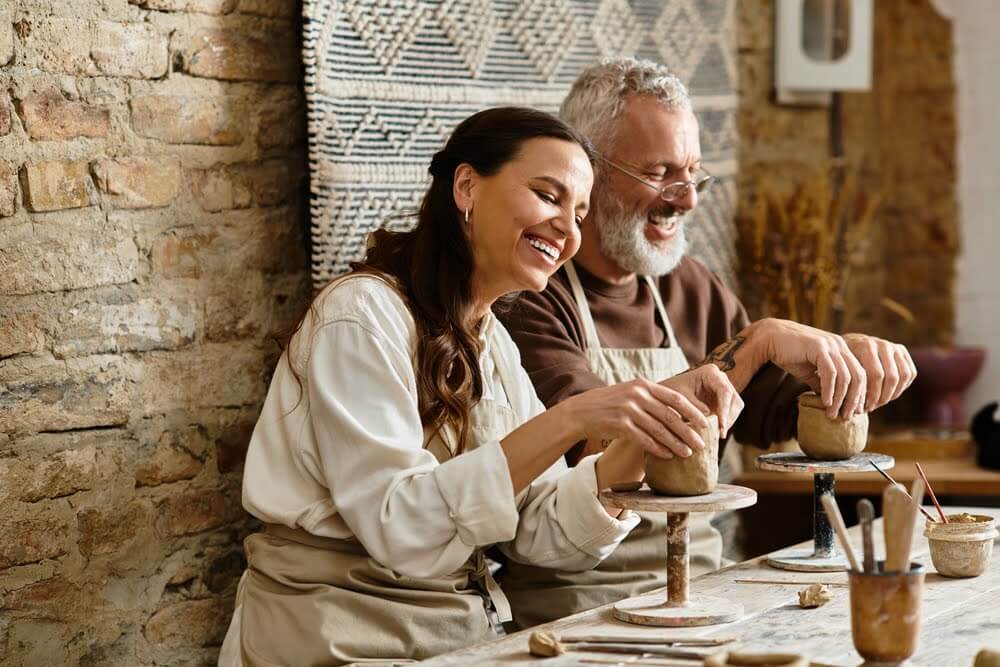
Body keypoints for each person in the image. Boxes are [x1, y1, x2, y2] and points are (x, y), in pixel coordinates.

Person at [217, 106, 743, 666]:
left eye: (581, 213)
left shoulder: (492, 343)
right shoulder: (360, 316)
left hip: (458, 636)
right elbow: (402, 528)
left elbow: (539, 533)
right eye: (548, 196)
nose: (568, 230)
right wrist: (574, 417)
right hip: (339, 636)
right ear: (467, 186)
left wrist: (639, 443)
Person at [496, 58, 918, 629]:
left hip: (707, 590)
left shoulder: (688, 285)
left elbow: (770, 412)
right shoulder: (528, 295)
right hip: (578, 611)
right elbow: (593, 444)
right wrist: (759, 340)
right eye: (661, 173)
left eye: (693, 174)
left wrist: (846, 363)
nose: (687, 199)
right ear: (588, 171)